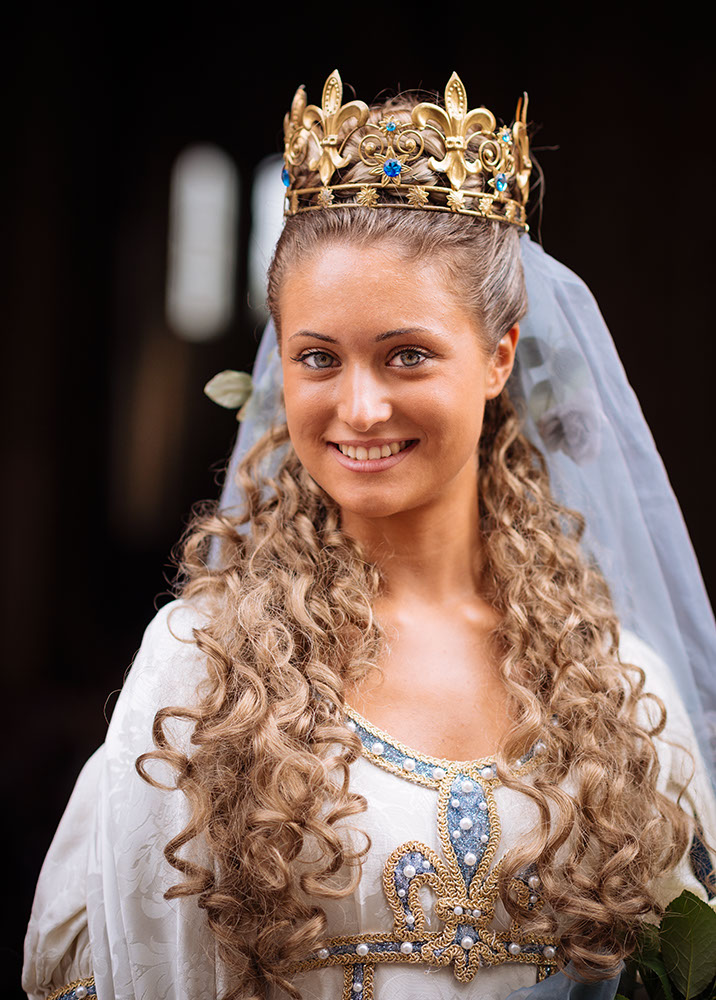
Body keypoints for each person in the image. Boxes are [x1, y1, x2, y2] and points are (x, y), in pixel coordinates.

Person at [23, 70, 716, 1000]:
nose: (358, 407)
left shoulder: (620, 686)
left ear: (499, 356)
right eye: (318, 357)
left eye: (408, 354)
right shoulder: (199, 671)